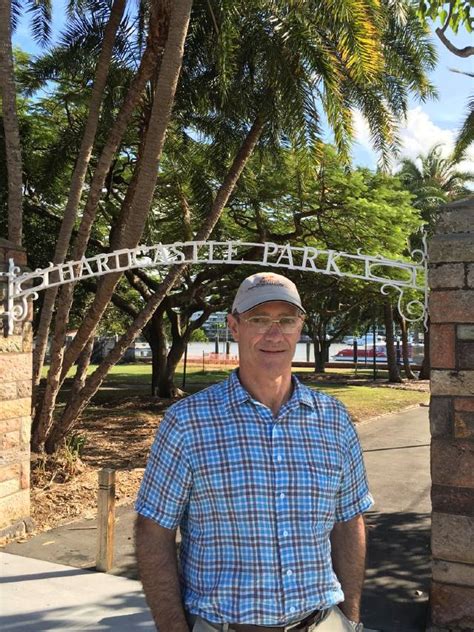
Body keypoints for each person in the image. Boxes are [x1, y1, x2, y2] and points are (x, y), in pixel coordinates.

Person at [135, 272, 373, 632]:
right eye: (259, 320)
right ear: (234, 326)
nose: (274, 334)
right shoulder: (187, 422)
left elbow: (348, 520)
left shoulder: (334, 419)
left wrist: (351, 620)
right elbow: (153, 530)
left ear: (300, 327)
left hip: (322, 622)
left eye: (286, 321)